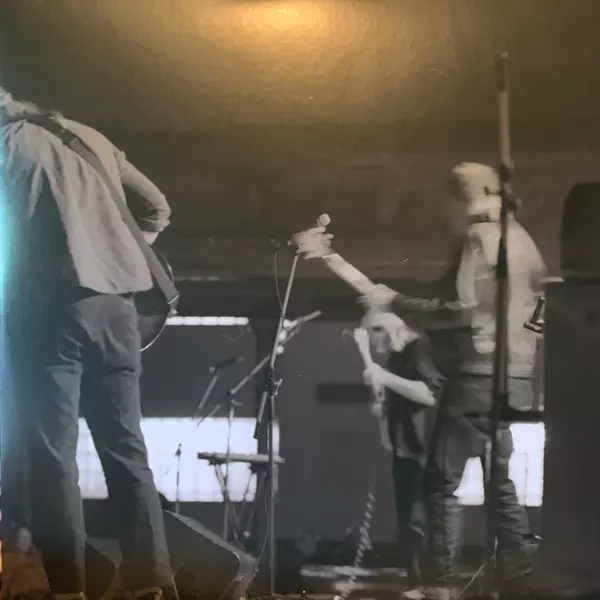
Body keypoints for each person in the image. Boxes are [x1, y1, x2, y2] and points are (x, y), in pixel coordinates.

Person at [0, 87, 174, 600]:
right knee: (127, 451)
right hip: (119, 310)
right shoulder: (87, 136)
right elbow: (157, 208)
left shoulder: (7, 147)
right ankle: (151, 585)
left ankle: (69, 590)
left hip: (51, 312)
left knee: (54, 459)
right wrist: (112, 254)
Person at [361, 163, 545, 600]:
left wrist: (396, 301)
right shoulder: (524, 240)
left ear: (461, 199)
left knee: (441, 482)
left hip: (477, 376)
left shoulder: (479, 237)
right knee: (499, 484)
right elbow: (533, 312)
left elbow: (461, 309)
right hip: (518, 377)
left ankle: (440, 585)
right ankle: (521, 579)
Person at [359, 309, 443, 600]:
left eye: (373, 335)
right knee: (408, 519)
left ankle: (426, 584)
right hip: (404, 447)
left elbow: (427, 394)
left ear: (384, 329)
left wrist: (384, 376)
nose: (373, 344)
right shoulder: (396, 357)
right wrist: (382, 407)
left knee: (418, 519)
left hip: (423, 447)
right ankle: (415, 582)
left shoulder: (418, 349)